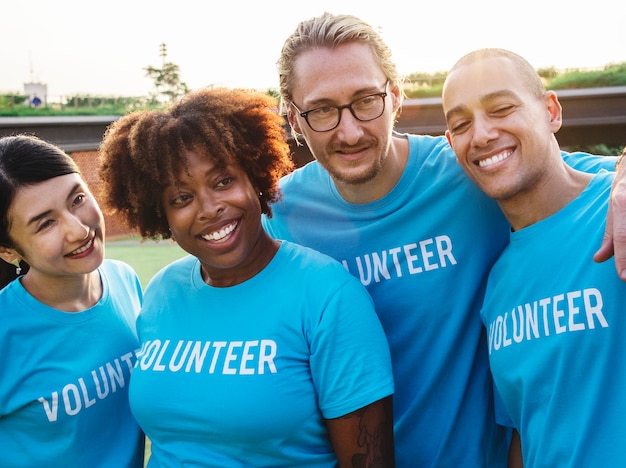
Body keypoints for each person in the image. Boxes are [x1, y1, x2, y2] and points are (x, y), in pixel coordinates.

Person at [262, 12, 620, 467]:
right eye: (322, 110)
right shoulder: (280, 215)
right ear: (294, 118)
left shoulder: (469, 168)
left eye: (366, 100)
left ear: (395, 95)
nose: (349, 130)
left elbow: (568, 175)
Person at [98, 87, 395, 467]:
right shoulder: (161, 291)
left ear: (255, 176)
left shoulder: (328, 296)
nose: (209, 208)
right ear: (162, 216)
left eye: (223, 181)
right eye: (181, 198)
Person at [441, 47, 626, 466]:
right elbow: (528, 431)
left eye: (502, 108)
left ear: (551, 111)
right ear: (452, 144)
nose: (483, 134)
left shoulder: (617, 211)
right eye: (462, 124)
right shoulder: (497, 286)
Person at [0, 135, 144, 467]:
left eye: (77, 198)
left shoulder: (125, 281)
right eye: (46, 223)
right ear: (7, 250)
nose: (79, 230)